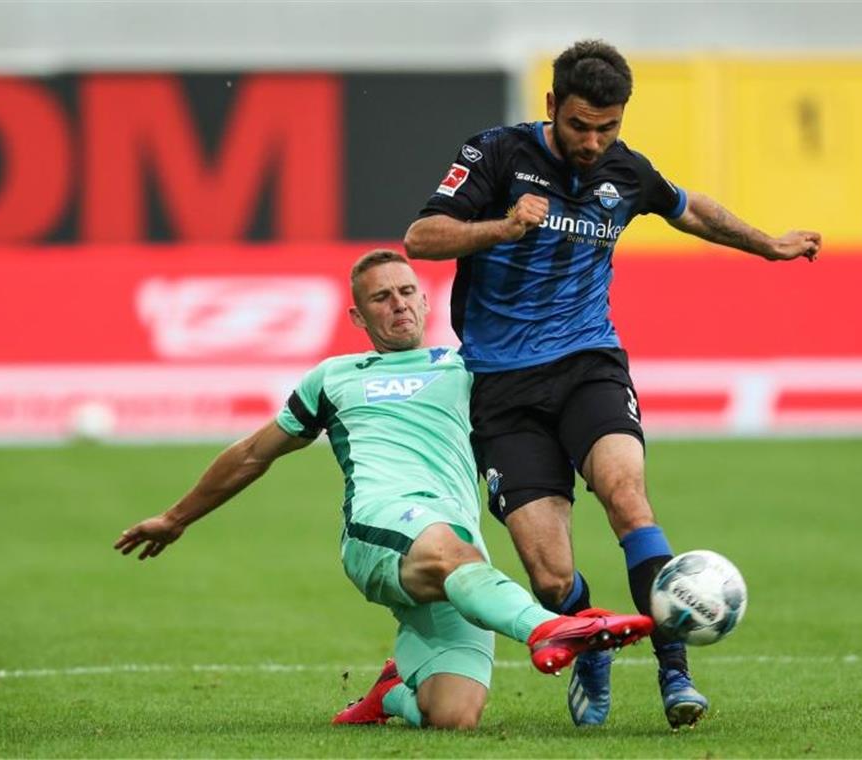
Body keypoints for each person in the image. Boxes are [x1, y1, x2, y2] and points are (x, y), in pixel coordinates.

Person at [403, 39, 822, 730]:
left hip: (587, 365)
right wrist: (503, 227)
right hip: (502, 388)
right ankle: (593, 642)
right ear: (550, 108)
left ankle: (675, 671)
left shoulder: (626, 173)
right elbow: (422, 237)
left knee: (628, 498)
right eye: (579, 126)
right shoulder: (497, 155)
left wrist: (768, 244)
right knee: (550, 579)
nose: (594, 142)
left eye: (608, 127)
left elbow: (690, 208)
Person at [113, 250, 653, 730]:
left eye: (407, 291)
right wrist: (176, 517)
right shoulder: (335, 377)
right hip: (382, 527)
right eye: (381, 298)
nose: (398, 305)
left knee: (454, 715)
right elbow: (254, 452)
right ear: (357, 315)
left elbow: (538, 419)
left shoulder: (468, 367)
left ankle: (392, 693)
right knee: (452, 552)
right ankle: (553, 630)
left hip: (458, 556)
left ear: (424, 299)